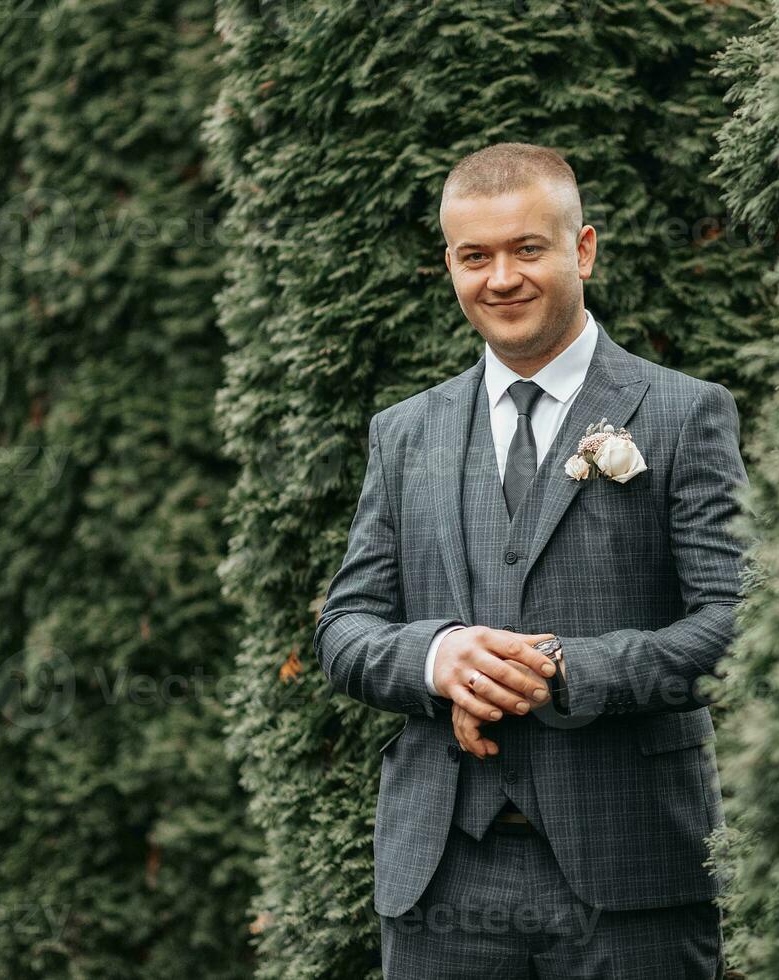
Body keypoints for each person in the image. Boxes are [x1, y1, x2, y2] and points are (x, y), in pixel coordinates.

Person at [314, 141, 748, 977]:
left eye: (527, 248)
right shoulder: (405, 433)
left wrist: (564, 671)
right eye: (475, 256)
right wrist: (440, 657)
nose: (501, 278)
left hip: (630, 870)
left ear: (582, 249)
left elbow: (736, 624)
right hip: (442, 875)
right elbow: (345, 627)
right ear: (450, 265)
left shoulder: (684, 413)